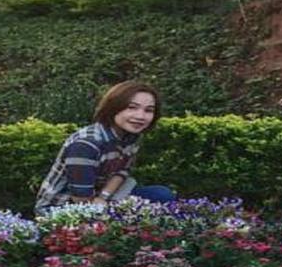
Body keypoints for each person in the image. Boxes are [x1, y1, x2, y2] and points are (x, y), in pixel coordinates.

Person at [34, 81, 177, 216]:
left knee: (161, 195)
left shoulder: (131, 136)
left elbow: (122, 171)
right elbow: (81, 199)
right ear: (113, 107)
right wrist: (109, 211)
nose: (140, 116)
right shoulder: (86, 144)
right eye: (132, 107)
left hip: (102, 199)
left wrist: (104, 197)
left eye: (148, 110)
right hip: (63, 209)